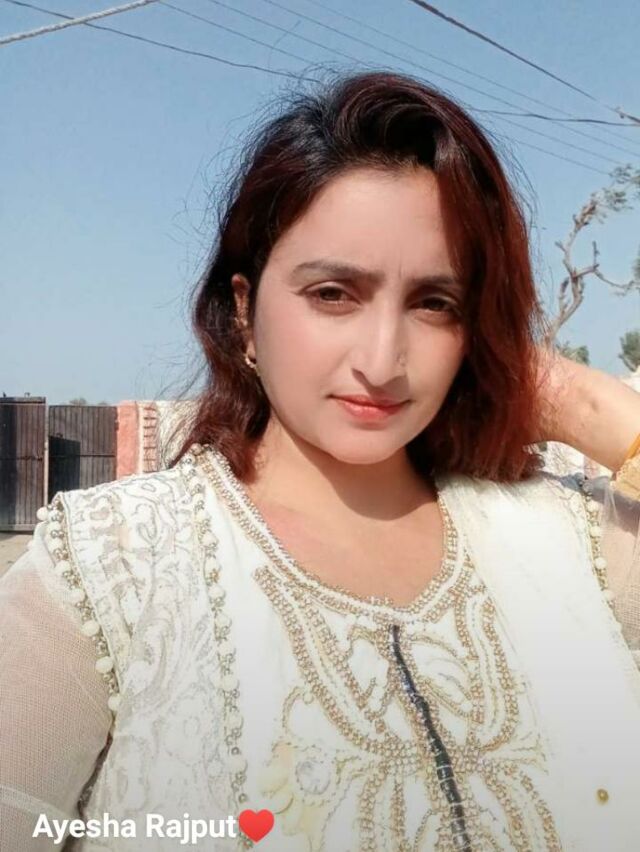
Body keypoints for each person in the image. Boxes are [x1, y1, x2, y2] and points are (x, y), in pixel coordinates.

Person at [1, 71, 639, 852]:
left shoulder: (576, 543)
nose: (383, 360)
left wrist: (591, 407)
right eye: (334, 293)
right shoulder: (111, 569)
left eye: (435, 304)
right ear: (244, 309)